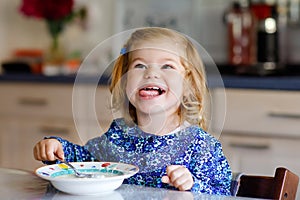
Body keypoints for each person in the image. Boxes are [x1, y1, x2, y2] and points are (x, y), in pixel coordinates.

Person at [33, 27, 232, 195]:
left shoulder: (200, 145)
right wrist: (58, 148)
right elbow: (88, 162)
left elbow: (223, 194)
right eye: (140, 65)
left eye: (167, 66)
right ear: (125, 79)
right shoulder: (118, 134)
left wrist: (192, 186)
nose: (151, 73)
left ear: (188, 83)